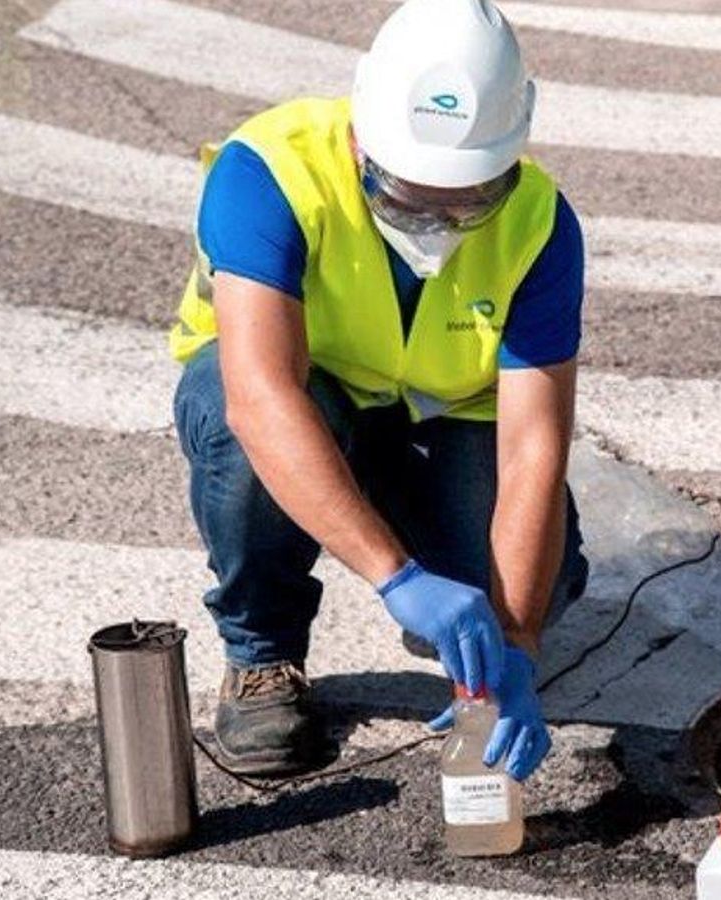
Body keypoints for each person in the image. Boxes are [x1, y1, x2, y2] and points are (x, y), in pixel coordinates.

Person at [169, 0, 587, 783]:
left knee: (533, 598)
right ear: (360, 134)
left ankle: (411, 528)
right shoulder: (270, 171)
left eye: (467, 197)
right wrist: (397, 578)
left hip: (440, 424)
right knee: (240, 427)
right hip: (305, 408)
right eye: (405, 191)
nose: (433, 219)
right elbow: (261, 396)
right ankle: (262, 653)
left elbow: (534, 447)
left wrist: (520, 641)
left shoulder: (539, 223)